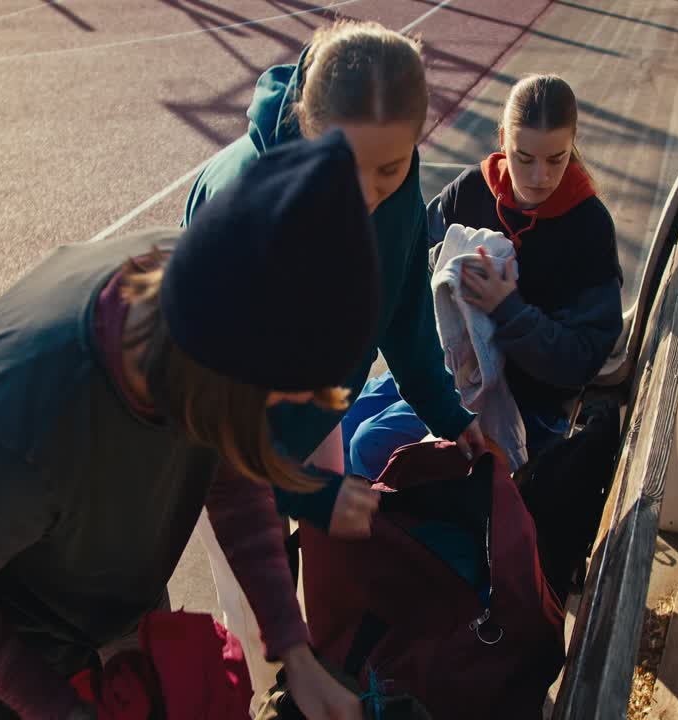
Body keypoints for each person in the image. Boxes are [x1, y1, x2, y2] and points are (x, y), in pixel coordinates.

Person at [0, 131, 381, 720]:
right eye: (279, 392)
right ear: (224, 356)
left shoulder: (211, 303)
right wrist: (59, 710)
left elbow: (230, 468)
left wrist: (292, 649)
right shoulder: (17, 434)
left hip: (114, 585)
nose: (281, 411)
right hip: (15, 644)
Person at [182, 19, 486, 699]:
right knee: (266, 633)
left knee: (330, 598)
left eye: (391, 168)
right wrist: (303, 497)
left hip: (317, 409)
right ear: (305, 125)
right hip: (217, 444)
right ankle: (273, 695)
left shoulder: (397, 185)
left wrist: (447, 410)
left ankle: (325, 678)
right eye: (345, 168)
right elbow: (214, 422)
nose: (368, 194)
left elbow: (403, 312)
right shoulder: (243, 211)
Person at [344, 73, 623, 479]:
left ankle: (385, 536)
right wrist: (443, 274)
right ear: (503, 139)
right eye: (523, 157)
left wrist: (507, 309)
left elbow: (581, 359)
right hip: (449, 367)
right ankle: (353, 533)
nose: (539, 177)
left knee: (367, 446)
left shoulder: (588, 227)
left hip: (529, 403)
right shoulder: (471, 190)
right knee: (344, 420)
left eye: (556, 159)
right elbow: (410, 274)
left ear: (572, 146)